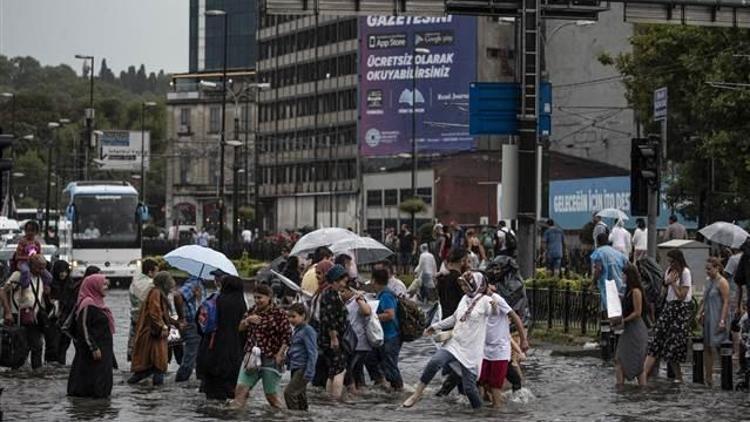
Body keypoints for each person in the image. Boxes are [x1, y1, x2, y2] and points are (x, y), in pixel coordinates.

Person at [403, 272, 497, 409]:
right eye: (463, 285)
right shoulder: (464, 299)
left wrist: (494, 305)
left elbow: (493, 312)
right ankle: (417, 394)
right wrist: (435, 327)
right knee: (435, 362)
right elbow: (454, 318)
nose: (464, 288)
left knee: (470, 389)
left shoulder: (485, 301)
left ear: (477, 285)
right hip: (456, 342)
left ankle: (480, 414)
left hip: (471, 350)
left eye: (466, 285)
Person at [231, 284, 291, 409]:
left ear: (269, 297)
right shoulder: (252, 311)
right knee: (240, 391)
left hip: (271, 358)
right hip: (251, 358)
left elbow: (287, 335)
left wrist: (280, 354)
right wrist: (248, 320)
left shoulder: (279, 313)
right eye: (255, 298)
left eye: (260, 298)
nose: (257, 301)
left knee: (271, 396)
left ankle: (286, 416)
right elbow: (239, 328)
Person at [642, 249, 693, 383]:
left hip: (680, 309)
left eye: (672, 261)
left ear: (678, 260)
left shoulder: (685, 273)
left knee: (673, 345)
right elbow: (664, 289)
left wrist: (673, 283)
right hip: (669, 307)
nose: (670, 264)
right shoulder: (669, 271)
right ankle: (644, 374)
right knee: (656, 340)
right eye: (669, 261)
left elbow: (682, 296)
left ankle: (679, 377)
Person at [197, 274, 248, 400]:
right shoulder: (241, 303)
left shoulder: (215, 300)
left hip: (212, 346)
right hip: (233, 349)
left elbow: (200, 322)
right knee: (230, 388)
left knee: (212, 389)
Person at [480, 279, 529, 408]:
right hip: (485, 349)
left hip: (499, 350)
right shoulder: (476, 300)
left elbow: (515, 317)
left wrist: (523, 341)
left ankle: (498, 410)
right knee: (483, 381)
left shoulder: (497, 299)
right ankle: (491, 406)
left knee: (496, 384)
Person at [67, 274, 115, 398]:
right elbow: (83, 327)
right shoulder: (88, 303)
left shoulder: (100, 303)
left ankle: (99, 404)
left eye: (106, 285)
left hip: (103, 347)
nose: (106, 288)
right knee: (91, 380)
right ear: (94, 286)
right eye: (103, 284)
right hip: (93, 350)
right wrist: (93, 347)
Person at [1, 254, 50, 370]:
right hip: (18, 316)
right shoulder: (18, 275)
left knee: (37, 346)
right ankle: (17, 373)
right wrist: (7, 312)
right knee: (20, 346)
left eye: (43, 268)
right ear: (31, 265)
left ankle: (36, 373)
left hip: (33, 317)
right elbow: (2, 292)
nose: (41, 270)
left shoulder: (40, 277)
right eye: (39, 267)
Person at [128, 271, 176, 386]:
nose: (172, 283)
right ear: (165, 282)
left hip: (153, 335)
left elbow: (162, 314)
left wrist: (176, 323)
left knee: (148, 367)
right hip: (153, 336)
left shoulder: (158, 293)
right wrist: (163, 326)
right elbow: (154, 313)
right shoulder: (156, 293)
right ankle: (157, 394)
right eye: (170, 280)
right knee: (158, 365)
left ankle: (146, 391)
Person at [315, 265, 350, 400]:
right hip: (332, 338)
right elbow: (329, 319)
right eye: (342, 281)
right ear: (335, 280)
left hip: (328, 338)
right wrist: (334, 338)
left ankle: (330, 397)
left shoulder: (331, 294)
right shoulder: (329, 295)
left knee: (332, 371)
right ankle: (336, 398)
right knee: (340, 370)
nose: (344, 284)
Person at [613, 264, 648, 386]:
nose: (622, 276)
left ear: (629, 276)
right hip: (629, 330)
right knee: (619, 359)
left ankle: (638, 388)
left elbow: (637, 312)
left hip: (636, 330)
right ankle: (620, 385)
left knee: (638, 364)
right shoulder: (628, 292)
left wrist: (625, 320)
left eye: (624, 274)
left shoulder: (636, 291)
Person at [371, 268, 403, 391]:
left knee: (391, 366)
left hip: (391, 336)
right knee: (378, 362)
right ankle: (389, 388)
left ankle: (399, 390)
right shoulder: (382, 293)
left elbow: (390, 314)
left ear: (374, 280)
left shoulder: (386, 295)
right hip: (385, 336)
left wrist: (373, 317)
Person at [699, 257, 730, 386]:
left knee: (717, 346)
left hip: (718, 316)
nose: (707, 271)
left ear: (717, 268)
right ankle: (708, 377)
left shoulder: (722, 282)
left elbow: (726, 302)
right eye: (706, 269)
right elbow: (704, 299)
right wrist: (699, 312)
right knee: (707, 346)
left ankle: (725, 375)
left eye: (709, 269)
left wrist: (722, 320)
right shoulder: (709, 282)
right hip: (708, 316)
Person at [284, 303, 318, 411]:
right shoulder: (297, 330)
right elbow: (294, 349)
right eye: (289, 316)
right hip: (295, 367)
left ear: (303, 316)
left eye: (293, 316)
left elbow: (312, 352)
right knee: (300, 396)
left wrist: (310, 371)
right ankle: (303, 416)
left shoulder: (308, 330)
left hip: (303, 368)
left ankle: (294, 416)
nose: (291, 320)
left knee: (289, 393)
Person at [174, 276, 206, 382]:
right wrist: (181, 318)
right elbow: (177, 295)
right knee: (189, 359)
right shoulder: (195, 283)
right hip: (192, 325)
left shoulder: (198, 284)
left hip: (197, 325)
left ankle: (197, 383)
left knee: (196, 357)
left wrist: (199, 299)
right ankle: (180, 382)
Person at [342, 284, 372, 395]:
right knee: (357, 372)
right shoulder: (347, 303)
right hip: (352, 343)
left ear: (351, 291)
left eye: (343, 291)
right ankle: (360, 395)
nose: (341, 294)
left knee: (349, 371)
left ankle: (353, 393)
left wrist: (359, 298)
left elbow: (367, 311)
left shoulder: (358, 300)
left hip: (359, 343)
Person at [128, 258, 158, 362]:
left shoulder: (134, 281)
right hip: (146, 319)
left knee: (135, 343)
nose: (156, 274)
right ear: (150, 272)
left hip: (134, 316)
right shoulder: (151, 284)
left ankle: (135, 363)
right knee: (146, 344)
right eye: (156, 271)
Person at [590, 233, 629, 316]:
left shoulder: (599, 252)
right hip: (618, 283)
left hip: (606, 284)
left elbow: (598, 269)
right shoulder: (617, 252)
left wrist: (593, 283)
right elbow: (627, 265)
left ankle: (608, 324)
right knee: (617, 307)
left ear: (597, 242)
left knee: (606, 307)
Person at [436, 248, 470, 318]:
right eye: (468, 261)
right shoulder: (460, 280)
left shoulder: (441, 278)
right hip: (458, 320)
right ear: (462, 261)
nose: (469, 265)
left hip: (445, 319)